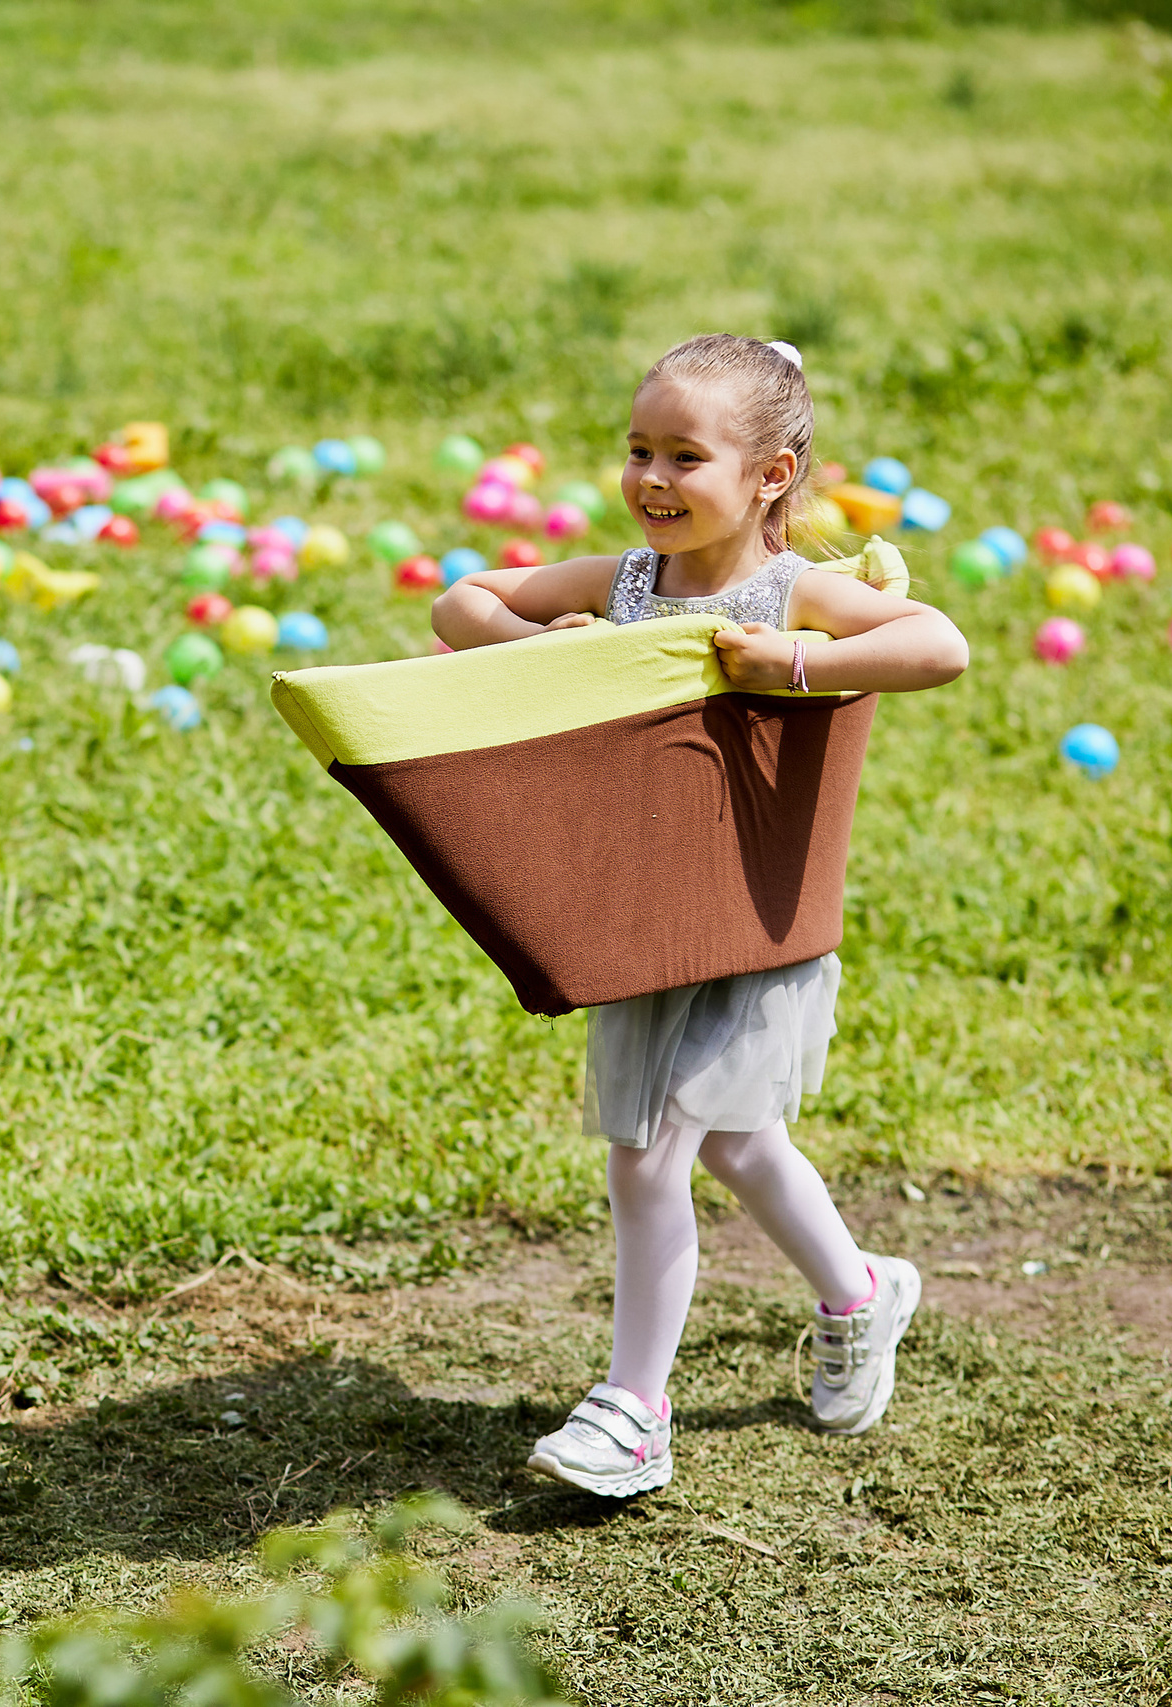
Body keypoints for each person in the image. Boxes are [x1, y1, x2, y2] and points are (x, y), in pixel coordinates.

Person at [430, 333, 970, 1498]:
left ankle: (634, 1411)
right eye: (637, 451)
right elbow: (455, 602)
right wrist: (539, 651)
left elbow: (937, 644)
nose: (651, 479)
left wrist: (794, 665)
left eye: (685, 456)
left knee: (650, 1151)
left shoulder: (788, 596)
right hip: (638, 917)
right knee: (729, 1141)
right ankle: (863, 1294)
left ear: (771, 476)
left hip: (751, 919)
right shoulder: (624, 585)